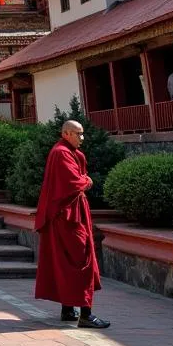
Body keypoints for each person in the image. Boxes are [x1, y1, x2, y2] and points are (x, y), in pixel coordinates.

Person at [34, 119, 110, 329]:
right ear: (66, 133)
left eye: (83, 134)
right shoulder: (61, 153)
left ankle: (68, 309)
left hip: (68, 214)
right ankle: (85, 314)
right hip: (67, 217)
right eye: (78, 134)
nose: (82, 139)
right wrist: (87, 181)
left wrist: (83, 179)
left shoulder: (68, 152)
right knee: (82, 261)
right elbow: (72, 182)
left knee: (68, 261)